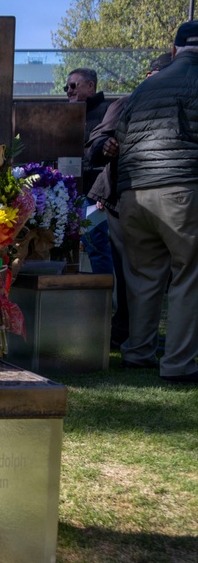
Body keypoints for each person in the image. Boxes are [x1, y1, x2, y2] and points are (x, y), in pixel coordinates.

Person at [113, 21, 198, 383]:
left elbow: (119, 134)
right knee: (188, 275)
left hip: (133, 193)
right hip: (181, 188)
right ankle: (179, 364)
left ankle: (137, 351)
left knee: (144, 277)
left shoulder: (144, 86)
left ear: (175, 49)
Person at [86, 52, 172, 350]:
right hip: (120, 199)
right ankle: (125, 331)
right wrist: (104, 146)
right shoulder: (126, 103)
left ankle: (142, 337)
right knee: (128, 272)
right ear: (150, 76)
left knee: (154, 275)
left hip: (161, 199)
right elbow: (94, 144)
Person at [66, 66, 115, 277]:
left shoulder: (107, 111)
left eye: (73, 85)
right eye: (66, 87)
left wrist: (104, 192)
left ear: (90, 86)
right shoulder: (67, 115)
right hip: (70, 192)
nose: (68, 91)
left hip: (95, 194)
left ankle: (104, 297)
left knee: (95, 242)